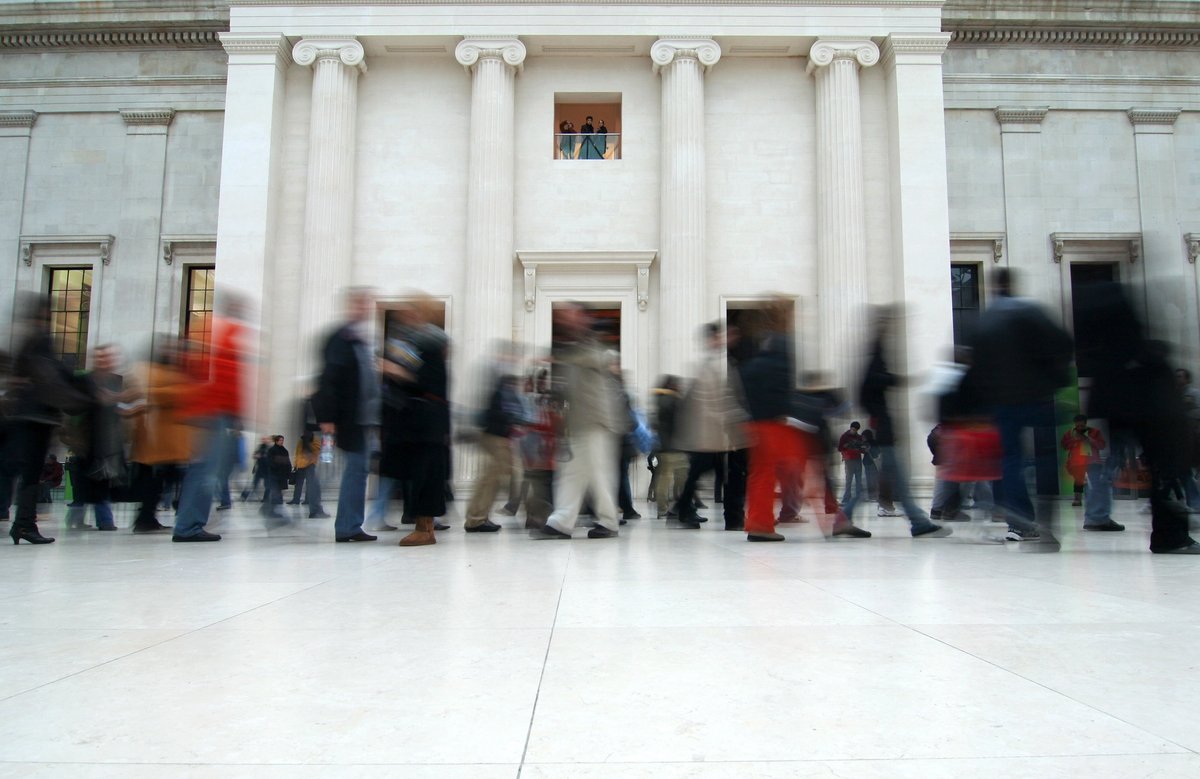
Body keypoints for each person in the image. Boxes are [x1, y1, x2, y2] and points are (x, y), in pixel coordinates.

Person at [1074, 281, 1197, 553]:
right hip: (1143, 406)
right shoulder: (1130, 338)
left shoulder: (1094, 332)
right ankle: (1171, 535)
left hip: (1110, 405)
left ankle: (1097, 515)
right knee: (1166, 468)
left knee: (1106, 464)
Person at [970, 268, 1074, 548]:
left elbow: (976, 369)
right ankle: (1046, 515)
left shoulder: (985, 321)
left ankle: (1020, 517)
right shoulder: (1029, 310)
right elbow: (1063, 343)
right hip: (1038, 396)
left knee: (1009, 460)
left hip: (1001, 402)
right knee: (1047, 454)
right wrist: (1055, 377)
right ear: (1011, 284)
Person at [844, 311, 951, 538]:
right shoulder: (875, 356)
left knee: (883, 482)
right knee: (888, 482)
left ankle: (916, 521)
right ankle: (918, 522)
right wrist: (898, 379)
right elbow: (870, 384)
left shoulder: (875, 354)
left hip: (884, 426)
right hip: (884, 428)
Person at [531, 303, 624, 540]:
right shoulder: (571, 347)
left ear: (582, 317)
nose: (564, 318)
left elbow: (599, 359)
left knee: (599, 473)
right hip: (578, 422)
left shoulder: (591, 343)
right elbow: (568, 386)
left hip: (596, 421)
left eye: (570, 313)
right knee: (572, 473)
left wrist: (559, 357)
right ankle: (561, 521)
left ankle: (609, 521)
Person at [8, 294, 92, 544]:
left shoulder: (28, 341)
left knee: (27, 473)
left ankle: (22, 524)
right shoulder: (40, 340)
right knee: (31, 473)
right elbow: (50, 378)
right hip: (37, 417)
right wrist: (79, 401)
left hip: (29, 416)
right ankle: (24, 524)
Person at [171, 291, 251, 542]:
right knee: (205, 471)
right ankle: (188, 525)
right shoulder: (220, 333)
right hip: (212, 412)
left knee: (206, 470)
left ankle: (189, 523)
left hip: (213, 412)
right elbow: (220, 378)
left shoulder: (219, 332)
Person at [379, 295, 452, 547]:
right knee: (417, 473)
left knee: (426, 475)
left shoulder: (430, 344)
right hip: (416, 422)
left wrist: (397, 371)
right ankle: (423, 525)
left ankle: (425, 528)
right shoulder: (412, 344)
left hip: (427, 423)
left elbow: (429, 382)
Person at [313, 288, 380, 544]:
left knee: (358, 470)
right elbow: (329, 379)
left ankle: (350, 524)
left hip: (362, 419)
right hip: (348, 418)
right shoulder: (340, 339)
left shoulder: (358, 340)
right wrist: (328, 417)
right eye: (361, 303)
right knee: (352, 471)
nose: (365, 309)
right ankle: (348, 526)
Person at [674, 322, 747, 530]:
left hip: (713, 435)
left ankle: (685, 508)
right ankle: (684, 507)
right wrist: (730, 417)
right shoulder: (709, 366)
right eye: (718, 336)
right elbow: (710, 403)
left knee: (706, 473)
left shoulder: (716, 364)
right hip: (709, 435)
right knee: (707, 472)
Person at [128, 336, 192, 534]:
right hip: (155, 440)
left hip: (168, 442)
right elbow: (152, 394)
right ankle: (146, 517)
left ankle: (148, 517)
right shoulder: (148, 371)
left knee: (164, 480)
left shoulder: (169, 372)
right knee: (156, 482)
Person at [463, 370, 523, 533]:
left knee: (492, 479)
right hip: (496, 439)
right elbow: (503, 415)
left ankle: (477, 517)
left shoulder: (498, 391)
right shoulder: (502, 393)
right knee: (490, 480)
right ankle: (476, 519)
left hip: (495, 437)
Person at [652, 375, 688, 522]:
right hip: (675, 446)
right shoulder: (675, 401)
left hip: (662, 445)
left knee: (663, 479)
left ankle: (662, 509)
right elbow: (682, 423)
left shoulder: (659, 400)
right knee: (682, 479)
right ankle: (679, 507)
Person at [1061, 414, 1106, 509]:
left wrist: (1089, 439)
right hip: (1077, 461)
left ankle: (1095, 500)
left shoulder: (1095, 432)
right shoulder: (1071, 433)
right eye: (1077, 426)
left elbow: (1102, 445)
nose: (1079, 428)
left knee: (1094, 480)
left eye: (1082, 426)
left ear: (1086, 424)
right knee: (1078, 481)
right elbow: (1064, 445)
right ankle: (1077, 499)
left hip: (1093, 460)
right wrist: (1074, 441)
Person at [289, 430, 328, 519]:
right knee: (300, 485)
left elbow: (315, 452)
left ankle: (312, 507)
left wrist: (307, 443)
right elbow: (298, 453)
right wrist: (296, 465)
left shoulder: (315, 441)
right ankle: (297, 500)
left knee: (312, 486)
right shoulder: (301, 441)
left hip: (310, 465)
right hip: (301, 466)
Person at [261, 435, 291, 525]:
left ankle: (274, 510)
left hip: (282, 475)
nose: (282, 442)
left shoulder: (284, 450)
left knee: (279, 493)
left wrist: (288, 472)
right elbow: (270, 462)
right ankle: (271, 511)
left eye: (282, 440)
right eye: (280, 440)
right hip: (275, 475)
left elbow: (287, 462)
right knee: (275, 493)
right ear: (276, 441)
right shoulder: (272, 450)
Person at [837, 421, 865, 505]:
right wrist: (846, 446)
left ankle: (858, 498)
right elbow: (839, 448)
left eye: (855, 430)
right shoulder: (844, 437)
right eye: (853, 429)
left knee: (858, 480)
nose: (854, 431)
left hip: (857, 460)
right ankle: (846, 498)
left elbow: (863, 450)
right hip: (849, 460)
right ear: (850, 428)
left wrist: (861, 448)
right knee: (848, 480)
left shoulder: (859, 438)